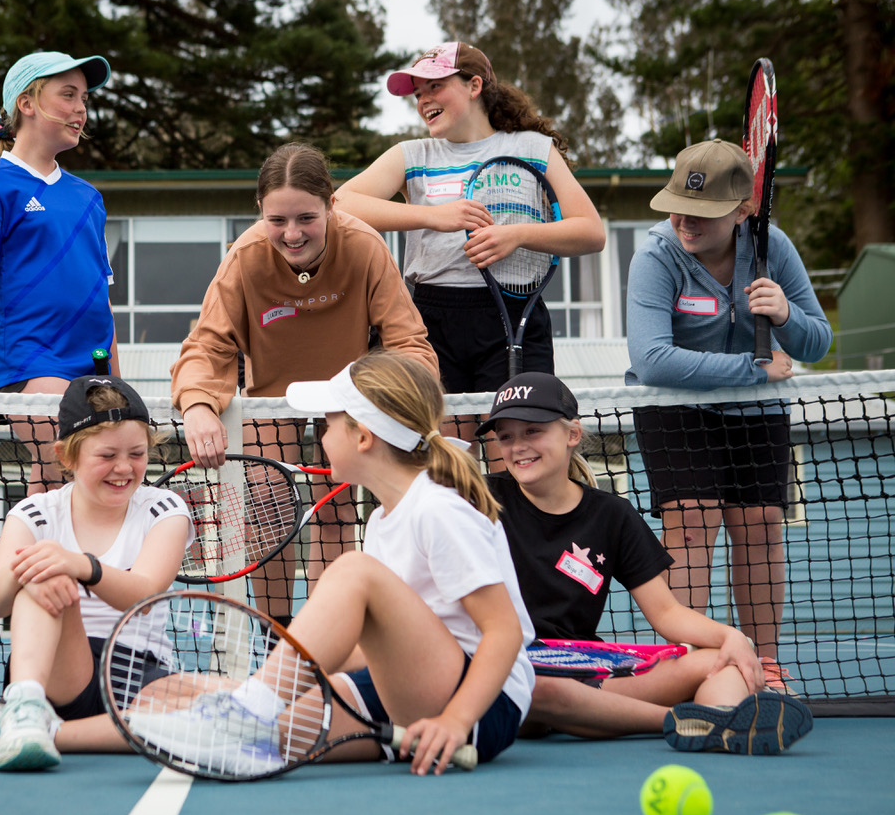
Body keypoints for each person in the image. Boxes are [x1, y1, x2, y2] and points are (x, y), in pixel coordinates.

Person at [141, 350, 535, 774]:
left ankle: (248, 707)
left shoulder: (438, 509)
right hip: (406, 685)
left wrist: (456, 721)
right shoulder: (385, 520)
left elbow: (504, 630)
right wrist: (277, 683)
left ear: (363, 437)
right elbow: (375, 648)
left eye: (327, 424)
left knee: (352, 572)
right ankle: (246, 712)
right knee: (254, 731)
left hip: (482, 706)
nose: (321, 437)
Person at [169, 142, 438, 622]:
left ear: (332, 203)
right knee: (270, 515)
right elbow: (206, 346)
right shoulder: (245, 257)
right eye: (278, 221)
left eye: (306, 218)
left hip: (348, 403)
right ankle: (280, 636)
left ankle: (327, 631)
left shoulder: (365, 246)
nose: (292, 235)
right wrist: (198, 406)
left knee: (335, 515)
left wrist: (395, 401)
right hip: (272, 403)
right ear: (260, 212)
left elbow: (411, 344)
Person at [478, 372, 813, 754]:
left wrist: (732, 638)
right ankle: (679, 721)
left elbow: (667, 612)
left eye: (532, 431)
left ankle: (719, 720)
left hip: (590, 671)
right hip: (513, 674)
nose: (518, 446)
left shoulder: (612, 514)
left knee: (724, 662)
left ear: (572, 434)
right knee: (539, 688)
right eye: (506, 436)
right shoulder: (479, 498)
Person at [625, 138, 833, 679]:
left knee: (763, 526)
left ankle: (764, 669)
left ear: (743, 210)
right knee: (691, 523)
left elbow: (816, 344)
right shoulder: (655, 255)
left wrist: (786, 315)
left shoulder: (774, 249)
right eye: (677, 205)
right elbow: (652, 361)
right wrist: (751, 370)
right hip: (673, 409)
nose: (684, 221)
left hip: (756, 413)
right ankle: (690, 669)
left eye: (702, 212)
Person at [335, 41, 604, 454]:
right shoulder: (412, 154)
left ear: (474, 85)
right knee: (444, 470)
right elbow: (339, 206)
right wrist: (434, 216)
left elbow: (591, 232)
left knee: (515, 464)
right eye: (418, 93)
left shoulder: (532, 148)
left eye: (436, 87)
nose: (424, 100)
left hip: (514, 317)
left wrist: (516, 235)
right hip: (429, 323)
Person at [0, 375, 193, 771]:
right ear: (66, 456)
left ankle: (22, 725)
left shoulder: (164, 509)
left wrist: (81, 565)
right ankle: (25, 705)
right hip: (54, 671)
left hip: (135, 672)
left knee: (205, 717)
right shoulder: (34, 513)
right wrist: (35, 566)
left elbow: (145, 594)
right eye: (107, 456)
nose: (124, 468)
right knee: (44, 573)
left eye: (137, 453)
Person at [0, 50, 121, 496]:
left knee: (55, 480)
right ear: (27, 104)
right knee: (77, 464)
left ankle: (21, 566)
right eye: (68, 95)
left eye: (84, 97)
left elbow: (100, 299)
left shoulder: (89, 197)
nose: (81, 108)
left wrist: (118, 381)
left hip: (93, 367)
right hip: (29, 363)